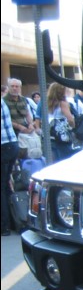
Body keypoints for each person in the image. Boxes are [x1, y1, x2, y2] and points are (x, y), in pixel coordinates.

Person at [43, 82, 78, 162]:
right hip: (62, 136)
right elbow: (70, 119)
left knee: (55, 159)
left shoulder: (48, 103)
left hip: (51, 135)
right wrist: (73, 126)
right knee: (65, 158)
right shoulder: (63, 103)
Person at [4, 78, 39, 156]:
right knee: (17, 153)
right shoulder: (3, 101)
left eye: (17, 86)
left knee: (32, 149)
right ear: (8, 87)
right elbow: (5, 119)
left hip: (25, 129)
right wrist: (19, 127)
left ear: (20, 88)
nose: (14, 88)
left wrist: (30, 124)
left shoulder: (23, 99)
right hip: (12, 132)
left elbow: (27, 114)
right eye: (12, 86)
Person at [1, 97, 20, 236]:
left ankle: (4, 226)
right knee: (6, 185)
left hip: (3, 147)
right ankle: (14, 222)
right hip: (11, 145)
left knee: (2, 187)